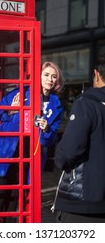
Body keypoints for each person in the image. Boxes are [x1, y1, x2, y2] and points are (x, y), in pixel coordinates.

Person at [0, 61, 64, 222]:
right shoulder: (22, 92)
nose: (50, 79)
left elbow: (49, 141)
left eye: (54, 76)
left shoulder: (56, 106)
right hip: (4, 155)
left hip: (28, 160)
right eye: (46, 75)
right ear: (38, 77)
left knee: (13, 205)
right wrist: (12, 109)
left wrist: (46, 129)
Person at [52, 57, 105, 223]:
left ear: (96, 74)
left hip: (83, 203)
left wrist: (58, 159)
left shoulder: (87, 104)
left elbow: (69, 150)